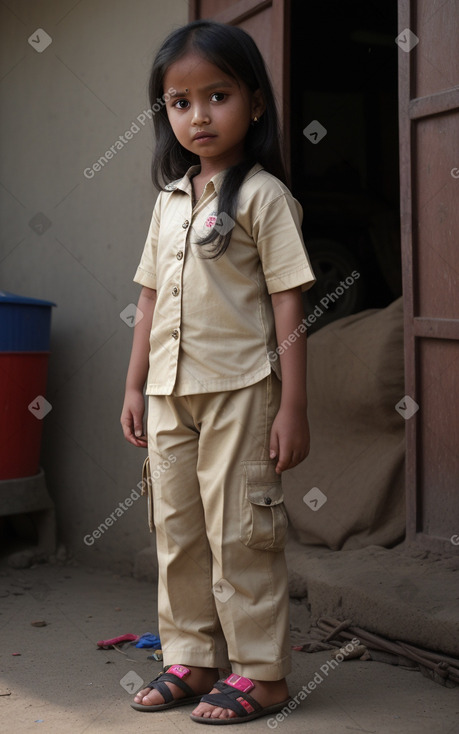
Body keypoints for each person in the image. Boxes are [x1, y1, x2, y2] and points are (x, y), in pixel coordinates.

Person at [120, 19, 315, 725]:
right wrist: (135, 385)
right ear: (165, 112)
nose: (197, 116)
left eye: (217, 96)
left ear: (254, 104)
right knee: (177, 530)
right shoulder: (169, 202)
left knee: (241, 533)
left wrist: (293, 405)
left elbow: (289, 298)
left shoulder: (263, 196)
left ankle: (261, 674)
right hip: (170, 396)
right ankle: (194, 659)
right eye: (179, 102)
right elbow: (146, 299)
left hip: (240, 393)